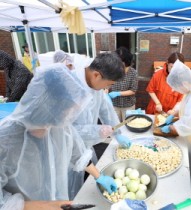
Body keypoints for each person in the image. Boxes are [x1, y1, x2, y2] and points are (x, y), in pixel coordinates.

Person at [0, 64, 117, 210]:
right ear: (49, 106)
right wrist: (47, 206)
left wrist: (99, 177)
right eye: (68, 111)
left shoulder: (60, 127)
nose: (70, 117)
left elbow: (78, 155)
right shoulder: (6, 139)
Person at [71, 52, 132, 197]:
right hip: (65, 153)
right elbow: (66, 133)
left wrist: (117, 134)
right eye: (109, 84)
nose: (108, 88)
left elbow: (107, 111)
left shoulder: (95, 86)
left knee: (85, 187)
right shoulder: (70, 88)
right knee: (70, 192)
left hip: (84, 148)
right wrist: (96, 131)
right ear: (97, 75)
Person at [160, 60, 191, 137]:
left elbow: (188, 124)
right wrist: (174, 114)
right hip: (187, 133)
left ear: (185, 83)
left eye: (178, 88)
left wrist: (170, 128)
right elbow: (185, 106)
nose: (179, 91)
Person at [108, 47, 138, 121]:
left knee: (128, 125)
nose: (122, 69)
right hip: (114, 105)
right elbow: (107, 84)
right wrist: (106, 91)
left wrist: (118, 93)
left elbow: (133, 90)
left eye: (124, 66)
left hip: (128, 105)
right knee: (115, 125)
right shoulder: (112, 70)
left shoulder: (133, 73)